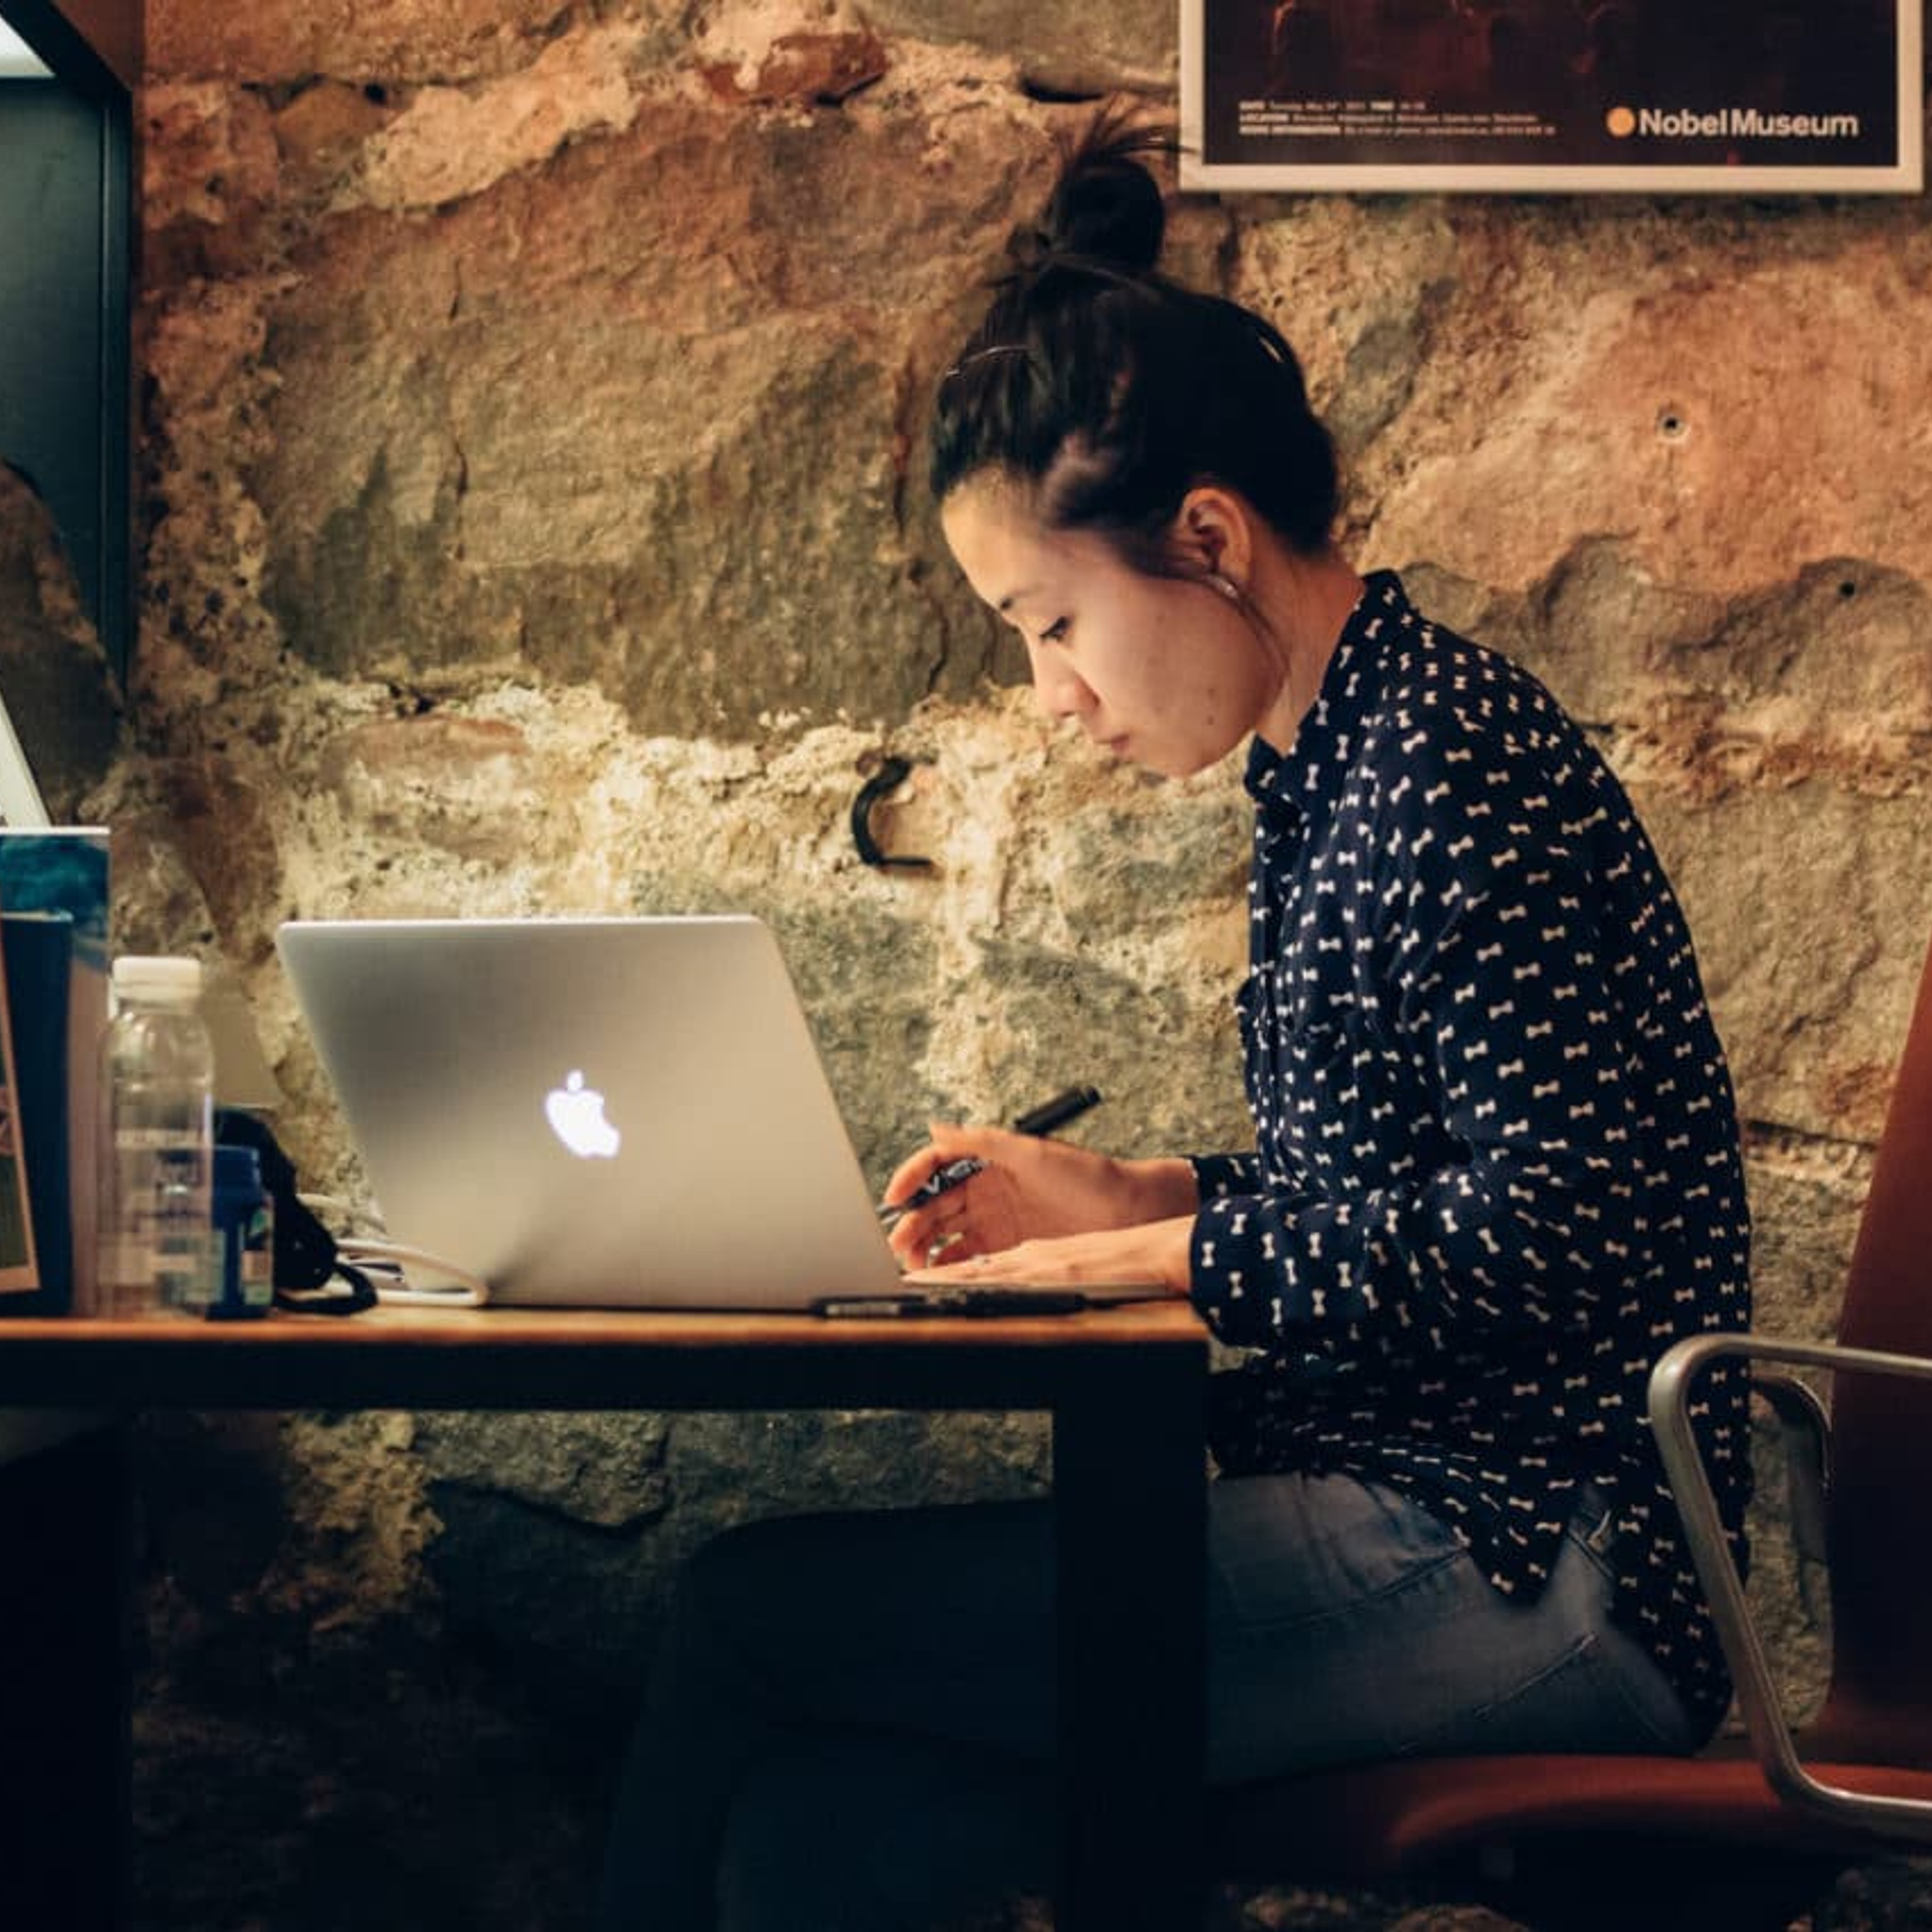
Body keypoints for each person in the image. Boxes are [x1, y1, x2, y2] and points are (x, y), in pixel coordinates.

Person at [597, 111, 1752, 1932]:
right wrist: (1125, 1186)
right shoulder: (1334, 766)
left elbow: (1557, 1230)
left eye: (1054, 623)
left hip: (1547, 1560)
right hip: (1430, 1514)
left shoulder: (1450, 762)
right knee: (838, 1825)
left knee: (749, 1616)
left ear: (1205, 537)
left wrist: (1158, 1263)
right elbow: (1378, 1188)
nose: (1051, 694)